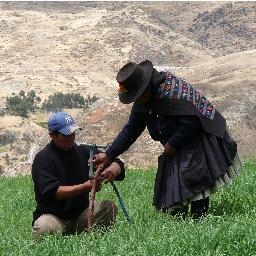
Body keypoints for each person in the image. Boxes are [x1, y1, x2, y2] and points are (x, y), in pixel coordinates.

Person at [93, 60, 241, 219]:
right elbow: (131, 130)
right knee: (176, 179)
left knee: (195, 176)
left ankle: (200, 219)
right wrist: (108, 154)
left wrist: (173, 143)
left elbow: (192, 121)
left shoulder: (171, 92)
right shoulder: (144, 99)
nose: (136, 100)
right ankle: (181, 219)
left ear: (145, 89)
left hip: (201, 132)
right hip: (177, 138)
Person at [31, 111, 125, 239]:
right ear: (52, 135)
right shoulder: (43, 159)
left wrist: (113, 169)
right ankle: (60, 235)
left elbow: (114, 161)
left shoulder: (84, 151)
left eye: (73, 133)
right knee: (45, 227)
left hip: (81, 215)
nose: (71, 138)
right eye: (66, 135)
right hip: (54, 217)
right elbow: (55, 192)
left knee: (108, 208)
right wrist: (86, 186)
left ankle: (89, 235)